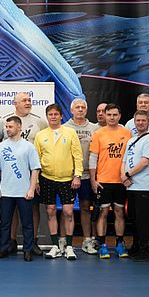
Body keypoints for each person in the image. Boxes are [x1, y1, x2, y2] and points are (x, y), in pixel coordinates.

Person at [0, 91, 49, 255]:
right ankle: (8, 244)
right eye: (24, 100)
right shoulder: (3, 123)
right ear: (15, 103)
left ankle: (31, 245)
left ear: (19, 127)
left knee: (31, 214)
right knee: (8, 218)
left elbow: (39, 157)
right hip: (8, 183)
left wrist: (34, 183)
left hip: (29, 180)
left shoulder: (39, 122)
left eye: (29, 100)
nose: (28, 102)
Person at [34, 103, 83, 260]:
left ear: (61, 116)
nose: (53, 117)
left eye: (56, 114)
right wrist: (36, 181)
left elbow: (77, 155)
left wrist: (77, 175)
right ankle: (55, 246)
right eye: (50, 114)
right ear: (47, 117)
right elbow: (36, 160)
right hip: (47, 178)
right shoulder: (40, 135)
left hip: (67, 179)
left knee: (68, 212)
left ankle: (69, 247)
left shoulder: (70, 133)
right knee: (50, 211)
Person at [0, 116, 41, 261]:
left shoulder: (28, 147)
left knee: (27, 223)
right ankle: (3, 249)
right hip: (6, 191)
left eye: (10, 127)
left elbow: (35, 169)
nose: (7, 129)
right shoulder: (1, 147)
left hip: (24, 192)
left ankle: (27, 250)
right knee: (5, 223)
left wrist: (31, 189)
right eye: (6, 127)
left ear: (19, 127)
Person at [89, 103, 132, 259]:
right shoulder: (98, 134)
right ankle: (102, 245)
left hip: (121, 181)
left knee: (120, 212)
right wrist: (93, 180)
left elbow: (131, 157)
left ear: (120, 116)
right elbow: (93, 158)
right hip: (103, 181)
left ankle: (120, 244)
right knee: (103, 212)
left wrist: (128, 176)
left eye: (115, 115)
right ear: (105, 116)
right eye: (109, 115)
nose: (112, 117)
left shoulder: (127, 133)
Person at [121, 111, 149, 261]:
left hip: (144, 186)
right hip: (131, 186)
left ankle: (145, 249)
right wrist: (123, 176)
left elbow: (145, 162)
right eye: (138, 120)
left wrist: (128, 174)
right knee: (134, 219)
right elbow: (124, 160)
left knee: (144, 220)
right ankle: (136, 246)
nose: (140, 123)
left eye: (143, 120)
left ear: (148, 122)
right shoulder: (131, 140)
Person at [65, 98, 99, 255]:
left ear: (86, 110)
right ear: (71, 110)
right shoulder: (65, 128)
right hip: (68, 175)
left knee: (86, 207)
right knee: (67, 209)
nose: (80, 109)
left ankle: (87, 240)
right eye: (77, 107)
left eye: (83, 107)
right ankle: (64, 242)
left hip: (86, 175)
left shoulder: (94, 128)